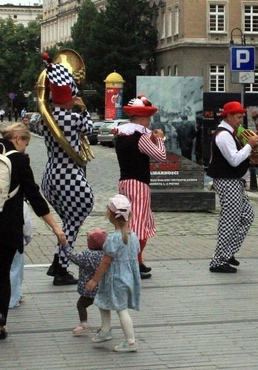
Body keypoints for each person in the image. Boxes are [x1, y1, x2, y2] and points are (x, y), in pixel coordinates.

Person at [0, 123, 67, 340]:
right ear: (18, 138)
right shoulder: (19, 160)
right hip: (7, 227)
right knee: (1, 276)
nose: (25, 149)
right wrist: (56, 227)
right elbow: (35, 196)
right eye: (25, 144)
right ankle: (1, 326)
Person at [39, 52, 95, 286]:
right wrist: (82, 109)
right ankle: (61, 267)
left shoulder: (45, 118)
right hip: (69, 175)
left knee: (68, 222)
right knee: (75, 220)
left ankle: (58, 261)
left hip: (51, 176)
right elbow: (90, 128)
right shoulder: (73, 118)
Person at [114, 94, 166, 279]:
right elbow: (160, 156)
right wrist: (159, 139)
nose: (150, 122)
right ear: (143, 118)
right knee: (139, 224)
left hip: (124, 182)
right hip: (139, 183)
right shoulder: (141, 136)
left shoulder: (121, 134)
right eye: (149, 118)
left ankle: (138, 261)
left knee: (129, 221)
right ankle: (133, 262)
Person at [206, 101, 258, 273]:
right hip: (226, 181)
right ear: (228, 117)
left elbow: (238, 158)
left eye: (242, 116)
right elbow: (234, 159)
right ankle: (218, 260)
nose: (241, 120)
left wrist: (250, 156)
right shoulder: (223, 135)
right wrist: (249, 145)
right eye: (238, 117)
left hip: (234, 180)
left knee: (247, 216)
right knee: (229, 220)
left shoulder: (232, 133)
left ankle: (227, 252)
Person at [86, 195, 142, 353]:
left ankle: (131, 341)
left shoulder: (112, 238)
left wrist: (94, 280)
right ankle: (105, 330)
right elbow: (133, 254)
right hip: (128, 277)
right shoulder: (134, 237)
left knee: (121, 309)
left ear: (109, 215)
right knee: (102, 300)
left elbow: (105, 261)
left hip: (115, 279)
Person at [65, 228, 107, 336]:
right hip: (103, 288)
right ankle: (105, 326)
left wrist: (65, 246)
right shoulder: (106, 255)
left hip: (89, 289)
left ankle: (84, 324)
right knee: (103, 308)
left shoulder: (86, 255)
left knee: (81, 305)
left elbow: (73, 256)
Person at [9, 201, 33, 309]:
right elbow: (26, 224)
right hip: (16, 240)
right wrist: (28, 237)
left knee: (2, 270)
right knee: (15, 270)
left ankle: (13, 295)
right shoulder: (21, 204)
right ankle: (13, 298)